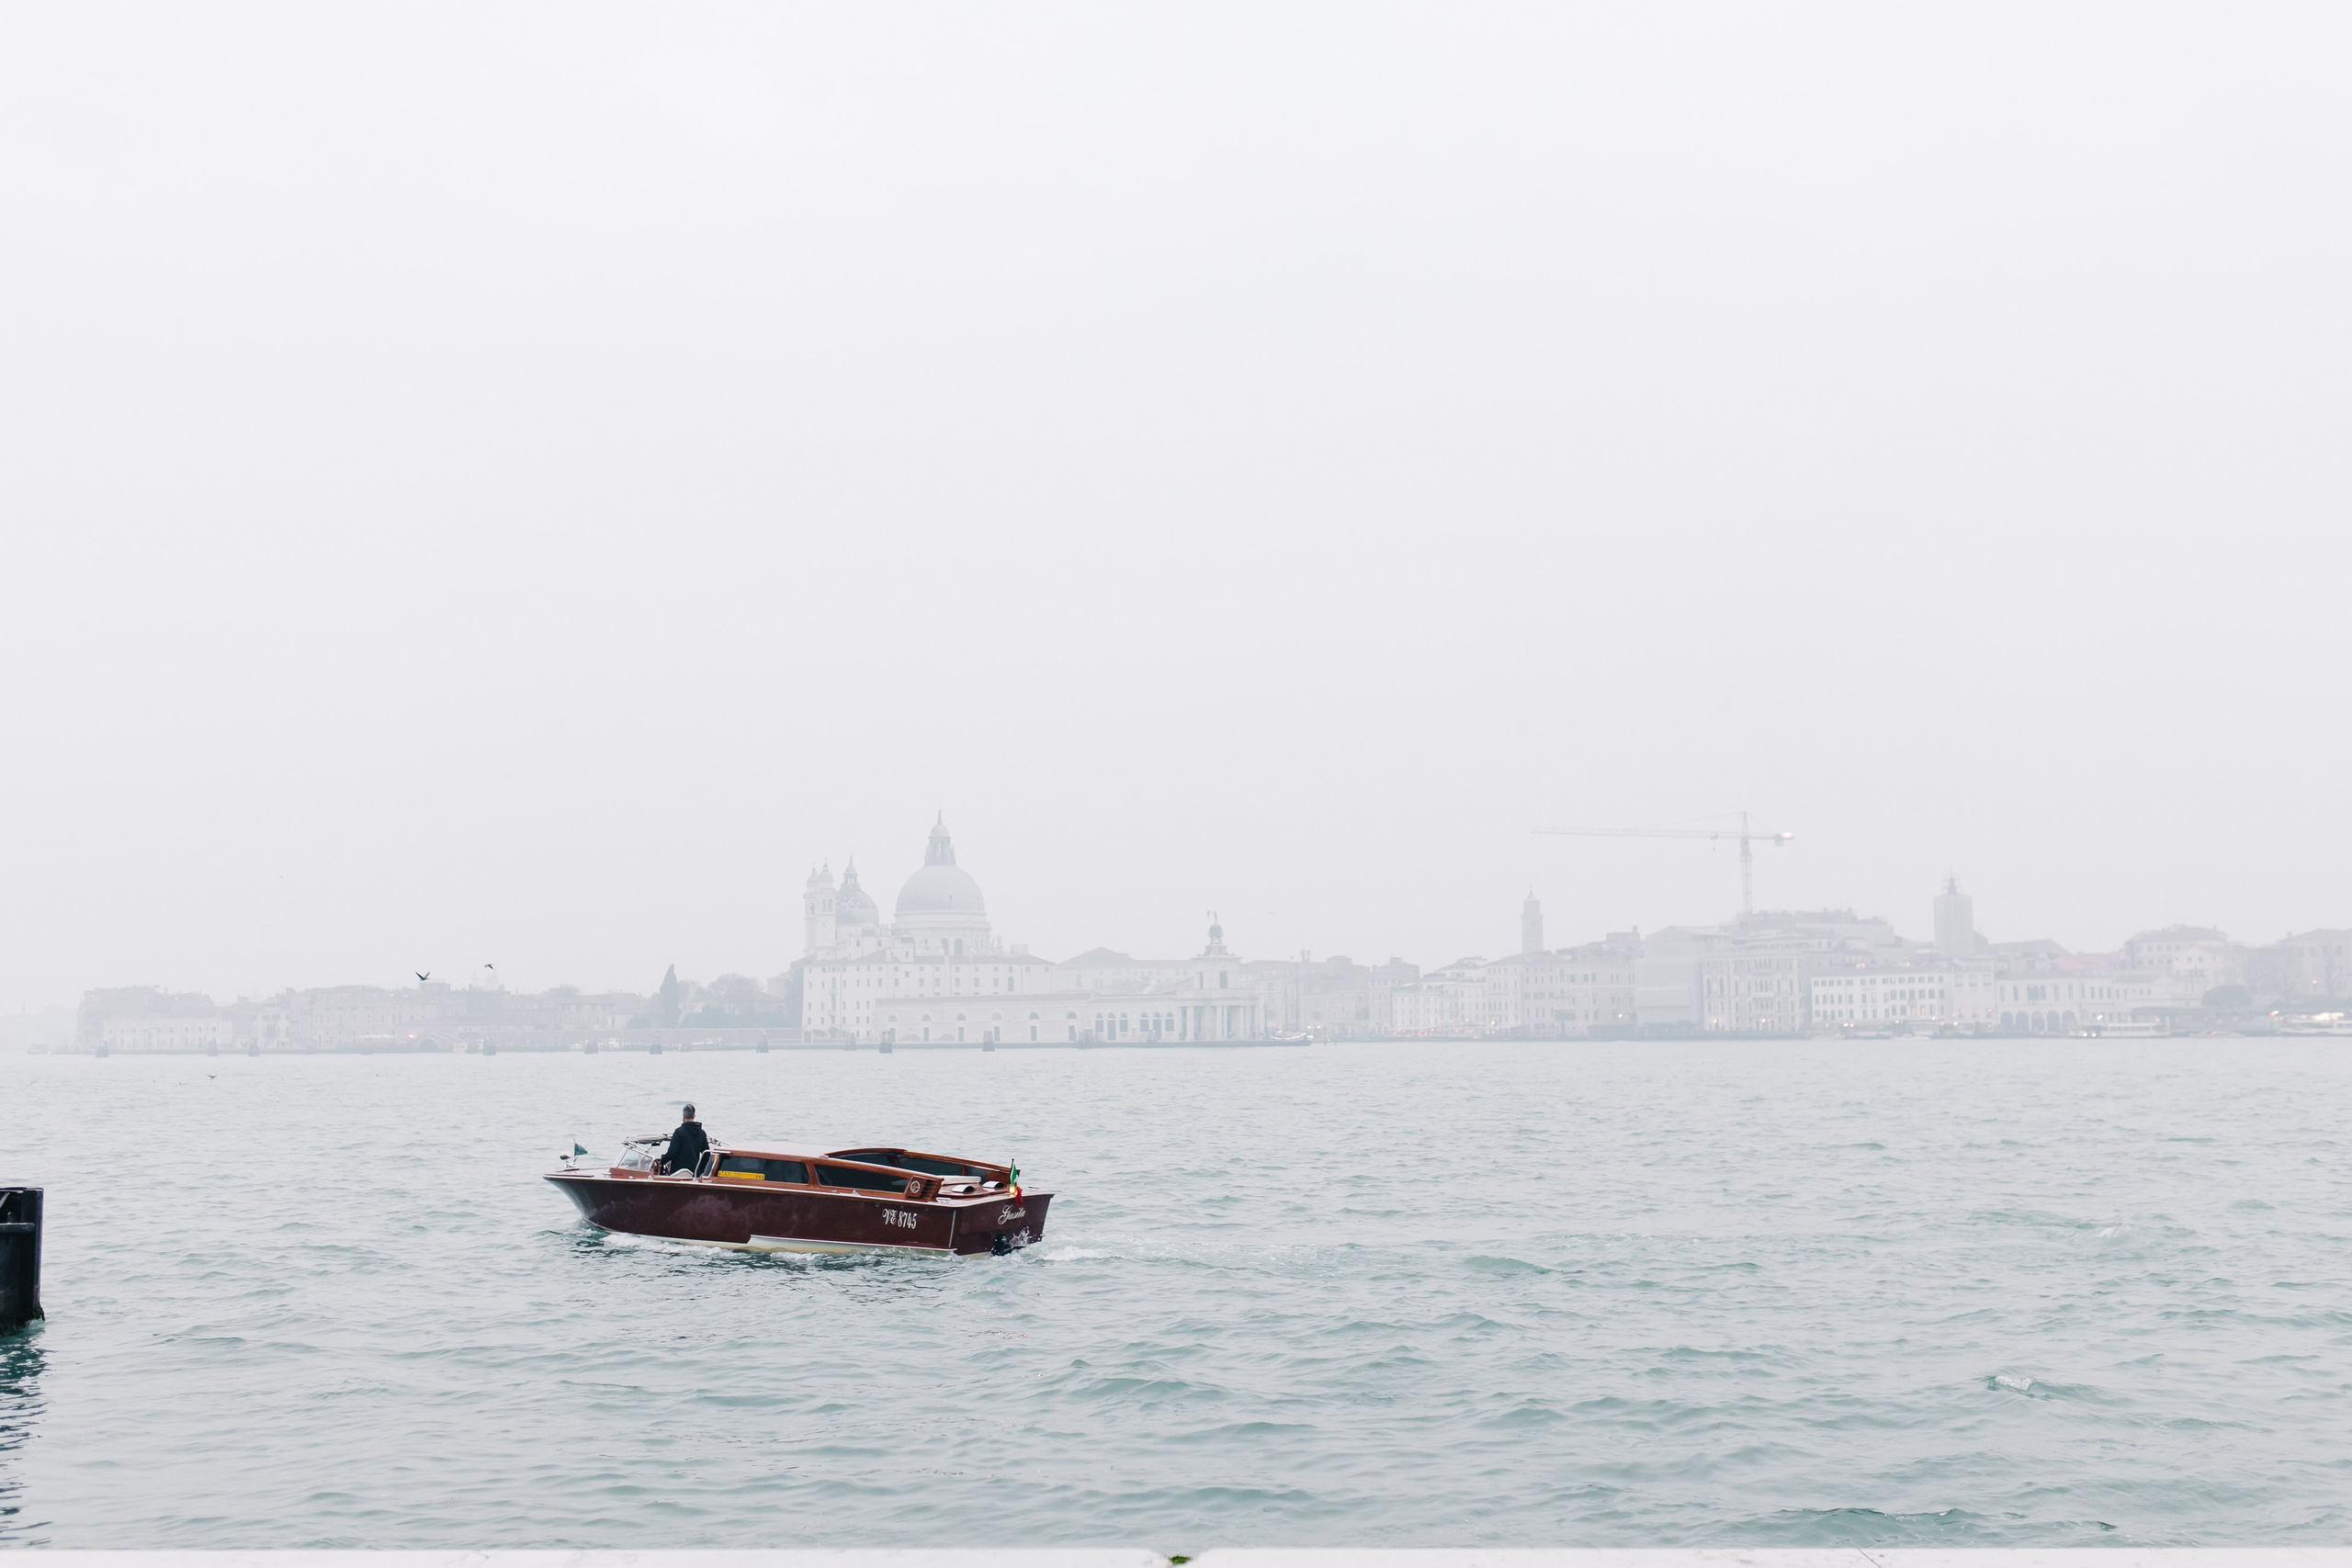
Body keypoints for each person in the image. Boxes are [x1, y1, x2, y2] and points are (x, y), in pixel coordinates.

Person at [662, 1103, 711, 1175]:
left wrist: (663, 1160)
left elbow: (672, 1153)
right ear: (694, 1116)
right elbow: (706, 1155)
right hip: (694, 1173)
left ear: (684, 1116)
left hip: (678, 1173)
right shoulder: (702, 1133)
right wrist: (700, 1171)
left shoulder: (679, 1132)